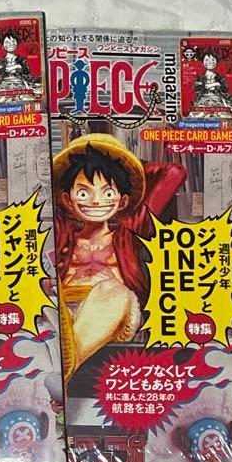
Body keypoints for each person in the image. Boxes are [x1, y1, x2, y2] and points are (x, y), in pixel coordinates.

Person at [53, 134, 186, 377]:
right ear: (67, 200)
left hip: (114, 310)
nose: (95, 201)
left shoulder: (129, 231)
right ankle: (68, 355)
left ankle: (65, 362)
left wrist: (117, 158)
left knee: (111, 291)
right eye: (83, 193)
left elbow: (174, 173)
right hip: (63, 310)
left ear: (123, 201)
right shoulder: (61, 232)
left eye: (107, 193)